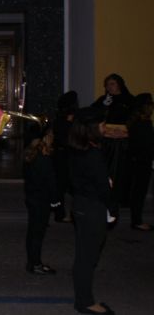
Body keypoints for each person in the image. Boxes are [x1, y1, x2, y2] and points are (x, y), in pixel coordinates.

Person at [69, 107, 115, 315]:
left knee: (84, 256)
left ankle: (83, 298)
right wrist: (113, 207)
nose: (105, 128)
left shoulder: (76, 149)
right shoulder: (92, 154)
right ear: (93, 128)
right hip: (92, 207)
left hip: (80, 204)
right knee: (88, 258)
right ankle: (85, 302)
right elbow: (103, 187)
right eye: (102, 125)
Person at [91, 73, 134, 210]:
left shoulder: (129, 100)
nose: (109, 87)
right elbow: (92, 116)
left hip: (123, 142)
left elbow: (135, 119)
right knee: (107, 169)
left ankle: (121, 198)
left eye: (112, 84)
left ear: (119, 84)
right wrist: (103, 107)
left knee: (122, 170)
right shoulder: (103, 100)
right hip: (107, 142)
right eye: (107, 84)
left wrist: (125, 131)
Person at [23, 127, 59, 275]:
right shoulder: (44, 158)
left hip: (32, 198)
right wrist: (55, 201)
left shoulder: (31, 154)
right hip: (41, 200)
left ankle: (32, 261)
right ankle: (36, 264)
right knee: (37, 233)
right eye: (51, 135)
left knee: (32, 232)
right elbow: (51, 182)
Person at [126, 93, 154, 231]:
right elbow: (146, 144)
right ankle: (137, 220)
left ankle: (136, 219)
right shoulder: (143, 124)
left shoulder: (135, 122)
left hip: (136, 161)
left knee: (137, 191)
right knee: (139, 192)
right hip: (142, 161)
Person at [53, 90, 78, 222]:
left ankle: (66, 212)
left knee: (66, 185)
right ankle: (61, 212)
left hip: (66, 155)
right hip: (64, 155)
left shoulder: (65, 119)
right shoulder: (63, 120)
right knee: (62, 185)